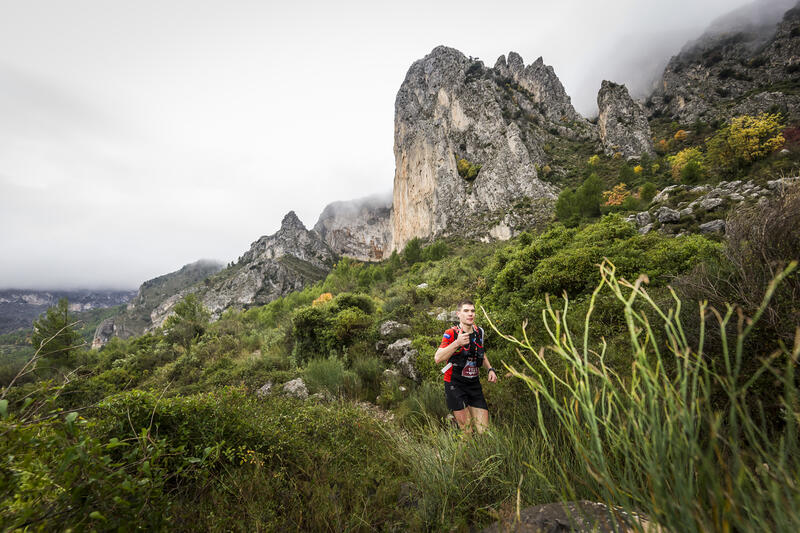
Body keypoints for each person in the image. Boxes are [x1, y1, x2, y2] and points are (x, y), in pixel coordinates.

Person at [434, 299, 497, 433]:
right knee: (467, 432)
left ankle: (480, 453)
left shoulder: (479, 331)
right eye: (466, 311)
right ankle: (463, 454)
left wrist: (490, 369)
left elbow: (481, 352)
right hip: (455, 384)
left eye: (472, 311)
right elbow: (438, 358)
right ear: (458, 314)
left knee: (484, 431)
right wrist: (457, 343)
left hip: (474, 384)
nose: (470, 314)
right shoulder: (451, 333)